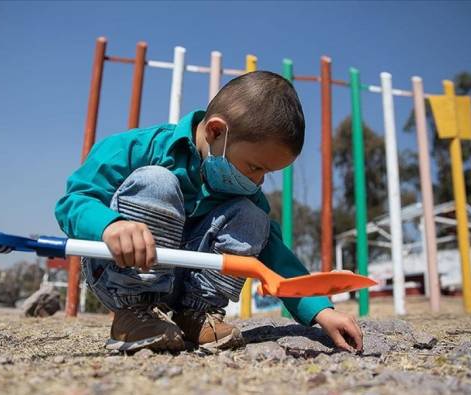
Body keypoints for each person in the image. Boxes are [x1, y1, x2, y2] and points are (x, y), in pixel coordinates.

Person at [55, 71, 363, 353]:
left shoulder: (246, 192)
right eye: (255, 167)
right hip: (122, 272)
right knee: (158, 182)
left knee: (255, 218)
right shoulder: (135, 146)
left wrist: (322, 312)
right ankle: (135, 314)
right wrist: (111, 226)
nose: (258, 180)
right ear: (216, 131)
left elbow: (278, 262)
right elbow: (74, 201)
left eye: (266, 173)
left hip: (188, 286)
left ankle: (196, 314)